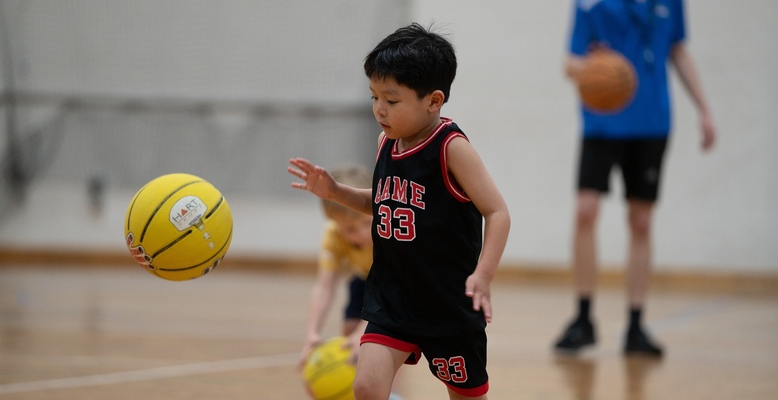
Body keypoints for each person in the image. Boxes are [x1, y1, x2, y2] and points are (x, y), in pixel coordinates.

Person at [288, 23, 510, 400]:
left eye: (391, 101)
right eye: (374, 97)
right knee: (367, 387)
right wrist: (335, 191)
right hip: (393, 298)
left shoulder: (451, 148)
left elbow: (498, 212)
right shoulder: (385, 143)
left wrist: (484, 274)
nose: (379, 109)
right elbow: (381, 201)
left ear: (434, 101)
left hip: (448, 303)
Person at [554, 0, 716, 357]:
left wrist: (704, 110)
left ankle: (636, 325)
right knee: (585, 211)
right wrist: (594, 68)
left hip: (651, 123)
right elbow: (569, 63)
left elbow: (677, 51)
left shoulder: (670, 3)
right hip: (602, 122)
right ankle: (583, 319)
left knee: (641, 221)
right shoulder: (589, 3)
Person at [296, 165, 375, 388]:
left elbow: (390, 289)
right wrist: (312, 333)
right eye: (349, 229)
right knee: (349, 334)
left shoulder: (386, 231)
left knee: (383, 343)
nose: (360, 234)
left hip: (398, 283)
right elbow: (324, 287)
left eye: (366, 223)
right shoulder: (332, 236)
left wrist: (365, 333)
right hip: (364, 278)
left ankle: (393, 393)